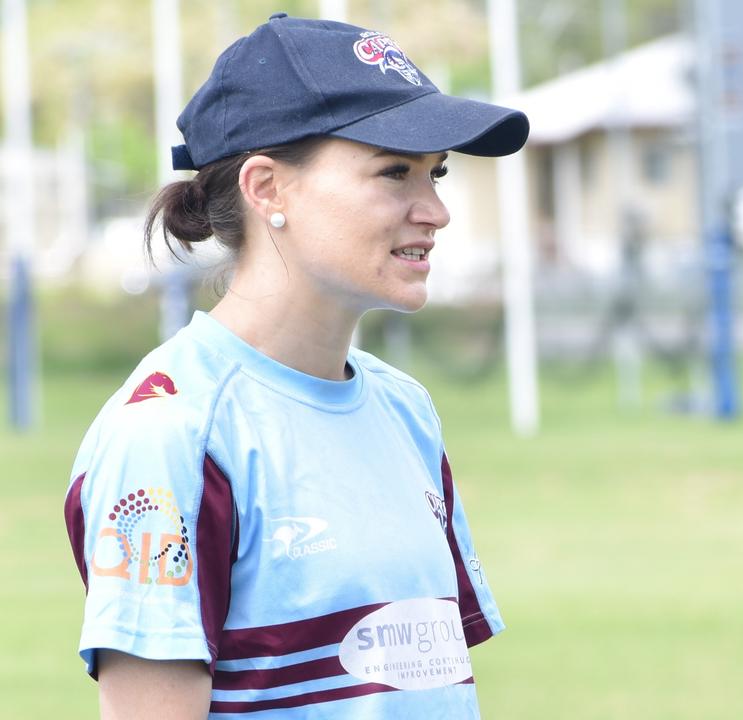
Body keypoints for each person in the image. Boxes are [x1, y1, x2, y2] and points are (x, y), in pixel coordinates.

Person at [62, 14, 528, 719]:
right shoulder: (172, 432)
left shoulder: (407, 410)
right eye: (394, 171)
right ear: (268, 189)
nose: (435, 210)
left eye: (436, 173)